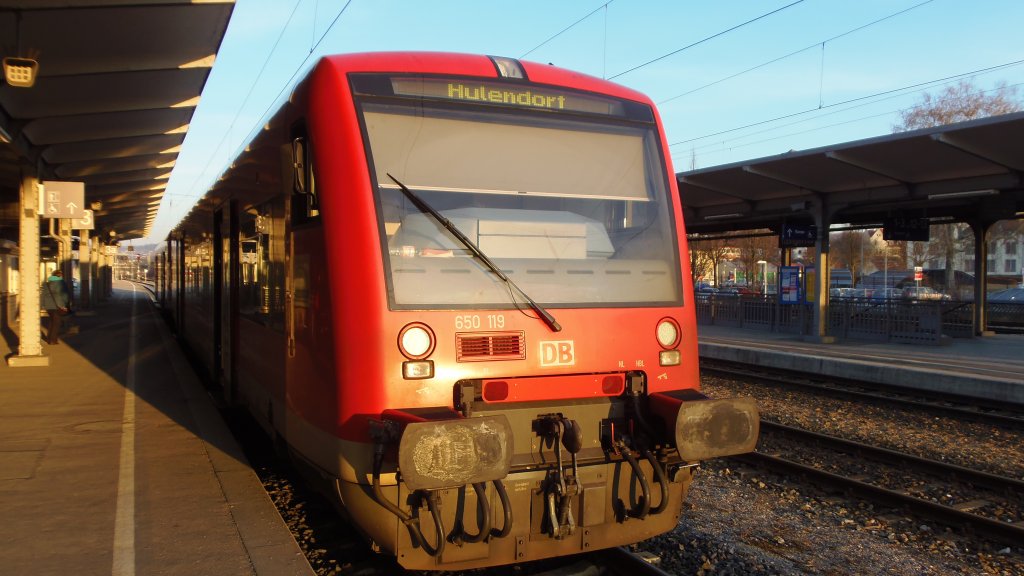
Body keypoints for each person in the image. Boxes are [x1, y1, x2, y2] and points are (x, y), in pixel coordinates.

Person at [40, 269, 71, 345]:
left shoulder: (46, 283)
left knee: (52, 321)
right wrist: (64, 304)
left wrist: (42, 305)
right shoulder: (61, 283)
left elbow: (42, 295)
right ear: (60, 275)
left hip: (48, 306)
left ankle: (49, 338)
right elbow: (64, 295)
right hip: (57, 305)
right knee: (57, 323)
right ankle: (53, 340)